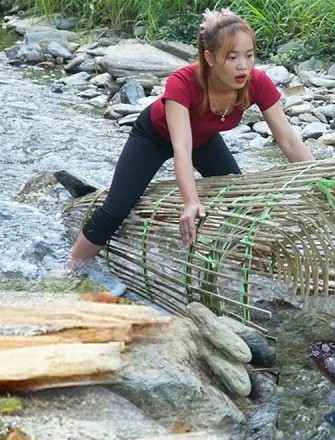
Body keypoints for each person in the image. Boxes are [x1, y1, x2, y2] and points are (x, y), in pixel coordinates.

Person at [65, 8, 313, 270]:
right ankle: (70, 267)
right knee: (116, 209)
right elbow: (181, 148)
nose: (243, 65)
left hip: (203, 139)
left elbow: (288, 141)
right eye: (232, 57)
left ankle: (243, 266)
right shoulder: (182, 82)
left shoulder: (257, 83)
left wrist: (318, 179)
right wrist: (191, 202)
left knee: (241, 204)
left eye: (249, 55)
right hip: (154, 136)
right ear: (210, 57)